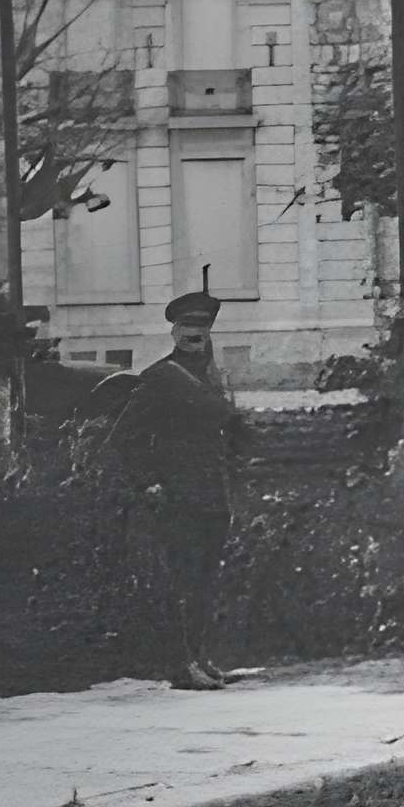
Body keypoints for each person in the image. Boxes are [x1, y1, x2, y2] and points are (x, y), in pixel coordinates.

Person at [108, 286, 244, 691]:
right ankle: (180, 667)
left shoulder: (213, 377)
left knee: (205, 582)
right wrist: (148, 481)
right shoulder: (160, 378)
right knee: (182, 582)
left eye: (201, 325)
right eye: (186, 325)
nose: (194, 333)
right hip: (178, 496)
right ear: (173, 331)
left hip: (213, 495)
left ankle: (200, 659)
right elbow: (123, 439)